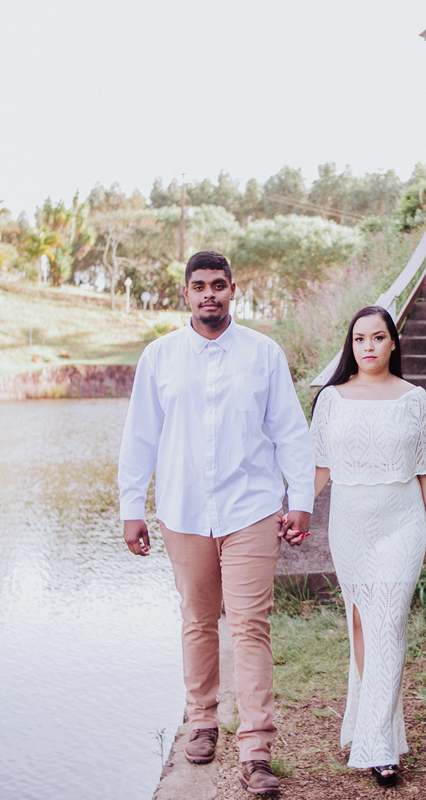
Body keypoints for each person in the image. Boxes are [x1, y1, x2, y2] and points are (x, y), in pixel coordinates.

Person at [118, 250, 315, 797]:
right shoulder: (159, 357)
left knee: (250, 625)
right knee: (199, 621)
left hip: (251, 508)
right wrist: (131, 506)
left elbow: (290, 432)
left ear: (233, 290)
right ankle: (202, 721)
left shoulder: (263, 354)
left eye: (219, 285)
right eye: (199, 285)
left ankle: (256, 750)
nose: (210, 294)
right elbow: (140, 436)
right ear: (186, 293)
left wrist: (300, 499)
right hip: (183, 511)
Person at [309, 305, 426, 788]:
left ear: (393, 342)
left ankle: (381, 746)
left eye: (377, 337)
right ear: (351, 346)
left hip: (402, 525)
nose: (368, 346)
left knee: (389, 624)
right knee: (363, 626)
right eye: (359, 339)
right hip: (350, 528)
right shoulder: (331, 400)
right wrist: (295, 511)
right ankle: (369, 724)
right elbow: (320, 467)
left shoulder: (415, 400)